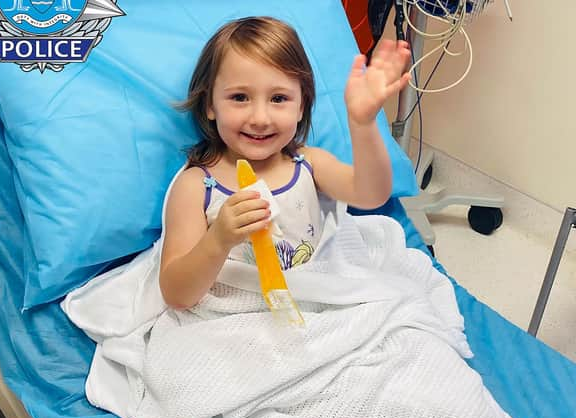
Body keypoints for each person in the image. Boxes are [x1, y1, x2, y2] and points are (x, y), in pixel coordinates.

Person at [160, 16, 411, 310]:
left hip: (313, 302)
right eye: (240, 97)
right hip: (235, 316)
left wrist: (363, 123)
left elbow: (372, 194)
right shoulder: (197, 186)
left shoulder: (308, 164)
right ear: (210, 106)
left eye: (278, 98)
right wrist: (217, 240)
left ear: (301, 106)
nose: (260, 118)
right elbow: (176, 295)